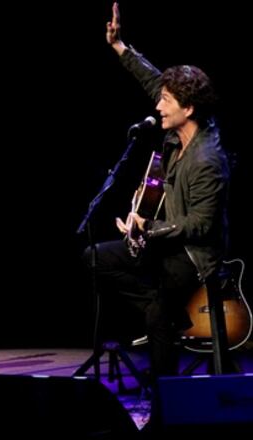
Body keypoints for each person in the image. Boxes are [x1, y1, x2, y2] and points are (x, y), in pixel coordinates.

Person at [87, 2, 230, 378]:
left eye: (166, 100)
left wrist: (147, 228)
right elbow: (152, 79)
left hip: (195, 253)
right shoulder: (177, 129)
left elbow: (199, 225)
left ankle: (166, 401)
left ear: (190, 107)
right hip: (167, 240)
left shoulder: (208, 159)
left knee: (156, 315)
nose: (158, 104)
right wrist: (119, 46)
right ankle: (165, 310)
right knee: (95, 257)